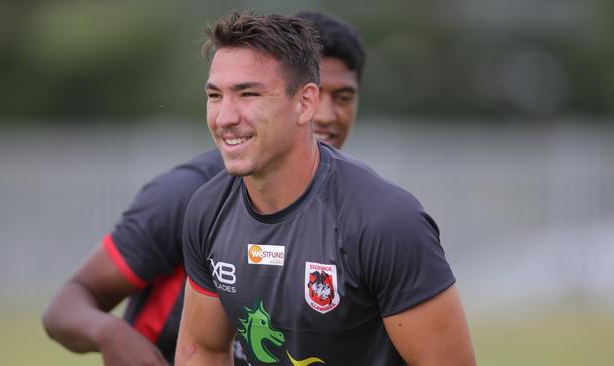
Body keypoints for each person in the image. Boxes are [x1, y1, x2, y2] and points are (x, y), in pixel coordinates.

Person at [41, 10, 367, 366]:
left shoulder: (355, 209)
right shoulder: (191, 195)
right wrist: (113, 335)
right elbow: (66, 305)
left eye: (343, 97)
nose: (326, 114)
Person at [175, 11, 476, 366]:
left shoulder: (386, 222)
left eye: (248, 94)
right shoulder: (208, 209)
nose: (224, 116)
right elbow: (203, 349)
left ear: (305, 103)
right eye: (215, 95)